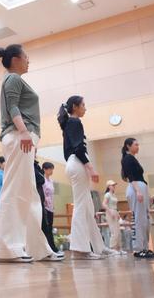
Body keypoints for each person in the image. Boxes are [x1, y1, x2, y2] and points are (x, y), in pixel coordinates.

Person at [0, 44, 63, 263]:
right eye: (26, 57)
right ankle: (7, 249)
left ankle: (37, 248)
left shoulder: (14, 79)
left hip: (23, 138)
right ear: (15, 59)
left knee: (30, 195)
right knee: (14, 191)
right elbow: (13, 106)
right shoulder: (12, 78)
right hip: (18, 136)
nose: (28, 60)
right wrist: (24, 131)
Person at [58, 96, 110, 260]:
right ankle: (80, 250)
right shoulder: (74, 122)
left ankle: (99, 247)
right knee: (81, 207)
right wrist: (91, 168)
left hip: (74, 163)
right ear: (75, 106)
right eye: (83, 105)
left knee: (87, 208)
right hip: (77, 163)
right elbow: (79, 148)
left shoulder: (70, 123)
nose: (85, 108)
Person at [121, 137, 154, 259]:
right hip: (135, 188)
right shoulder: (127, 158)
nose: (138, 147)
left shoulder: (132, 158)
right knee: (139, 219)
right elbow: (131, 177)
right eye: (135, 145)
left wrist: (147, 194)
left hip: (140, 187)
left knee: (145, 220)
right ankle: (139, 249)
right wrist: (138, 191)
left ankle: (145, 248)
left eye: (138, 144)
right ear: (128, 146)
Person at [103, 180, 124, 254]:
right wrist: (110, 211)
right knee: (114, 231)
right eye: (112, 185)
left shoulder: (114, 195)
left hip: (115, 212)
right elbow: (104, 204)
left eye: (114, 185)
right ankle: (113, 248)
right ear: (108, 186)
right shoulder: (107, 195)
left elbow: (115, 206)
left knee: (118, 231)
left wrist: (117, 213)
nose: (114, 186)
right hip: (110, 213)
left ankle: (119, 248)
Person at [42, 162, 58, 252]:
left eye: (52, 169)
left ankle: (52, 248)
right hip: (45, 207)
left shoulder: (51, 181)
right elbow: (43, 194)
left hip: (51, 207)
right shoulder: (43, 180)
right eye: (50, 169)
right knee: (47, 228)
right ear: (44, 169)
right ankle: (51, 248)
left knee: (50, 227)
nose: (51, 171)